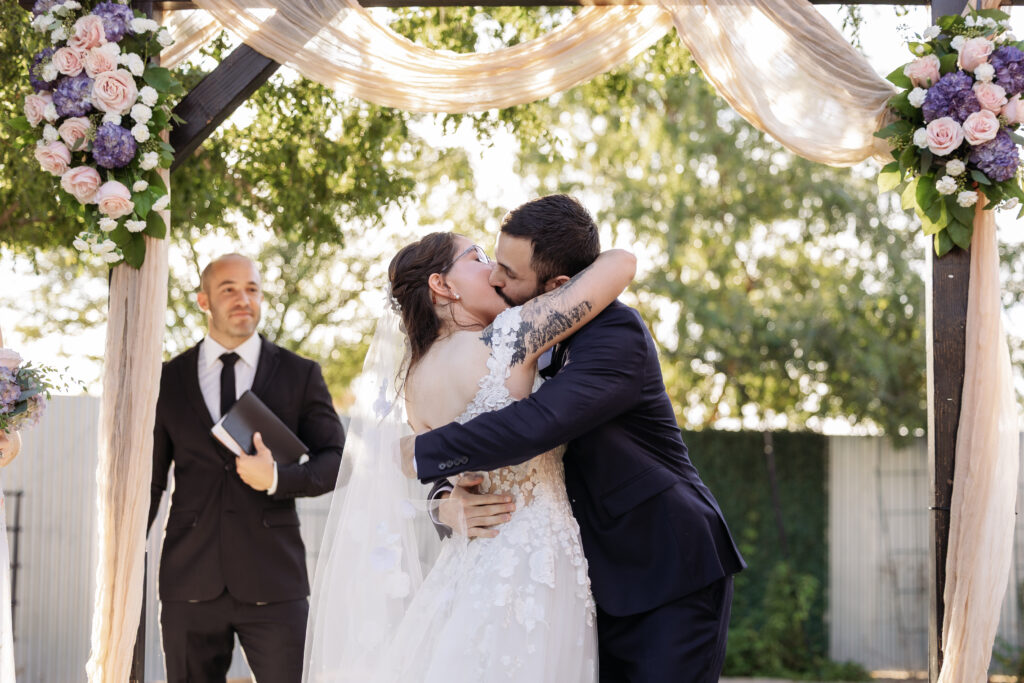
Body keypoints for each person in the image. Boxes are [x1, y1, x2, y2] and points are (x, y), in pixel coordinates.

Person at [403, 195, 746, 682]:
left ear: (559, 285)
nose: (497, 278)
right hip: (568, 579)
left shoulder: (616, 334)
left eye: (508, 272)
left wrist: (421, 454)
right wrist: (444, 501)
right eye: (491, 263)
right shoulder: (504, 341)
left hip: (662, 568)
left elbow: (539, 423)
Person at [303, 230, 636, 682]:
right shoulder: (506, 340)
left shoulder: (414, 383)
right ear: (443, 285)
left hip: (468, 565)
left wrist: (445, 501)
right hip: (533, 565)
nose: (495, 272)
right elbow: (621, 263)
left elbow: (430, 465)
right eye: (478, 257)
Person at [148, 253, 345, 683]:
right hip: (188, 581)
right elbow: (151, 481)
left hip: (275, 581)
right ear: (204, 301)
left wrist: (276, 478)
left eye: (252, 289)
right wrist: (123, 556)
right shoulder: (167, 379)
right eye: (229, 290)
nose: (244, 299)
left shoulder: (300, 374)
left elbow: (336, 461)